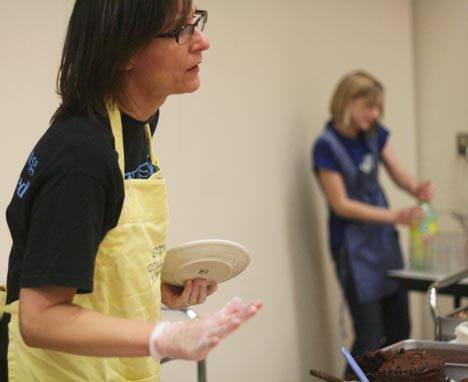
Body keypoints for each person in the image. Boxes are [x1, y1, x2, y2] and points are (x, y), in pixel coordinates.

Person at [0, 1, 262, 381]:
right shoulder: (82, 159)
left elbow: (93, 253)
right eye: (180, 31)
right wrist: (169, 336)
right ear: (124, 51)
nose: (201, 41)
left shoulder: (135, 124)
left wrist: (153, 287)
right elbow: (40, 319)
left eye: (196, 23)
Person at [312, 71, 433, 359]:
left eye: (378, 107)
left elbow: (395, 169)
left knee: (400, 331)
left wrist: (415, 187)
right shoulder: (326, 146)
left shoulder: (374, 134)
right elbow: (340, 204)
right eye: (369, 106)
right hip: (353, 250)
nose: (375, 113)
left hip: (383, 243)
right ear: (347, 102)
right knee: (369, 337)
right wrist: (394, 216)